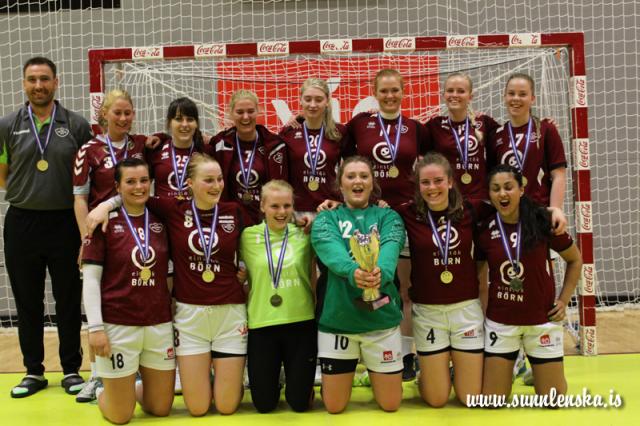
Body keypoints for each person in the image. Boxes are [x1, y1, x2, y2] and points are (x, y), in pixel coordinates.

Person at [88, 153, 248, 416]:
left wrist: (244, 272)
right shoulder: (173, 210)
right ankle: (112, 391)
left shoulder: (234, 212)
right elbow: (134, 196)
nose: (216, 185)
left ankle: (225, 381)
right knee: (197, 408)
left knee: (226, 407)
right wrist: (103, 206)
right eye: (208, 180)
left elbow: (260, 239)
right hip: (189, 315)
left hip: (229, 312)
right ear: (190, 184)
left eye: (219, 179)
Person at [0, 56, 92, 398]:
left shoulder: (77, 125)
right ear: (24, 84)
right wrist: (30, 191)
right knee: (28, 300)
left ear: (56, 82)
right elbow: (2, 175)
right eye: (32, 79)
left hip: (66, 223)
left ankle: (71, 369)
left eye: (44, 79)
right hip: (22, 221)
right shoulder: (7, 125)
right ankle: (33, 371)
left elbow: (89, 175)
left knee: (68, 299)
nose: (38, 85)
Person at [344, 68, 430, 381]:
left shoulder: (416, 128)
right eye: (384, 90)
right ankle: (361, 356)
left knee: (404, 289)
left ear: (403, 92)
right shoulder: (359, 124)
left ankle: (406, 356)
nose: (390, 96)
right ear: (374, 92)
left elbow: (434, 163)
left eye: (395, 90)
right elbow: (338, 156)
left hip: (404, 217)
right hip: (366, 218)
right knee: (364, 284)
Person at [477, 164, 582, 400]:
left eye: (508, 187)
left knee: (553, 399)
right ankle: (516, 366)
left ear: (521, 189)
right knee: (493, 401)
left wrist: (564, 300)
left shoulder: (542, 221)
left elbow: (575, 260)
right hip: (501, 322)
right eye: (495, 189)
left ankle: (536, 366)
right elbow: (478, 277)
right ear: (489, 194)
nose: (502, 194)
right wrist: (481, 314)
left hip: (541, 320)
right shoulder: (484, 229)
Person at [82, 157, 174, 423]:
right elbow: (90, 280)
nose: (138, 187)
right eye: (130, 182)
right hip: (118, 324)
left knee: (160, 408)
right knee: (120, 416)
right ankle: (104, 390)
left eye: (144, 180)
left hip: (158, 323)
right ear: (117, 186)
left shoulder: (161, 219)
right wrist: (95, 329)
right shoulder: (102, 222)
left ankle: (127, 389)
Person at [311, 156, 405, 413]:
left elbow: (391, 247)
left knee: (390, 404)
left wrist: (381, 273)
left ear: (372, 182)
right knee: (334, 407)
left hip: (381, 321)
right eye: (350, 176)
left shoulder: (389, 216)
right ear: (340, 184)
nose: (357, 181)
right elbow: (330, 250)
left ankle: (373, 373)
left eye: (364, 176)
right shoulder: (326, 219)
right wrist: (354, 272)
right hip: (339, 322)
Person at [72, 89, 147, 402]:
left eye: (128, 112)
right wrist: (85, 239)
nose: (123, 118)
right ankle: (95, 374)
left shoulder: (142, 145)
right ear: (104, 114)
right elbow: (80, 199)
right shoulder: (88, 150)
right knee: (96, 301)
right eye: (117, 112)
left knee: (132, 295)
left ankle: (134, 369)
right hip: (102, 236)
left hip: (137, 233)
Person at [395, 152, 485, 407]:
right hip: (428, 313)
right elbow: (369, 212)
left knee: (470, 399)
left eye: (438, 181)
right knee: (436, 399)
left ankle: (454, 369)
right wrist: (332, 205)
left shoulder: (472, 209)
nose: (432, 188)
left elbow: (511, 207)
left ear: (450, 182)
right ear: (418, 185)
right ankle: (428, 372)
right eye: (425, 182)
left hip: (465, 311)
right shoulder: (407, 213)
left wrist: (551, 211)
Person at [240, 180, 316, 413]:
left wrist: (314, 219)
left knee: (299, 404)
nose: (282, 212)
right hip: (262, 323)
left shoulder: (305, 233)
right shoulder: (247, 237)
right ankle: (280, 379)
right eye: (274, 206)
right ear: (262, 206)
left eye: (287, 206)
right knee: (264, 405)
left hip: (300, 321)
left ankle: (297, 384)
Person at [488, 72, 567, 227]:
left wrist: (555, 209)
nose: (516, 98)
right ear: (504, 97)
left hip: (539, 213)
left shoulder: (546, 130)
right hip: (507, 216)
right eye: (511, 93)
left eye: (522, 94)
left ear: (532, 99)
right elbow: (491, 180)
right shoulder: (495, 135)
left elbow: (559, 175)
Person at [210, 89, 287, 225]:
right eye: (240, 112)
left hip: (265, 222)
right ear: (231, 113)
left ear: (258, 111)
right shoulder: (219, 144)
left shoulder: (275, 145)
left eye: (250, 111)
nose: (245, 117)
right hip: (230, 222)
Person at [424, 72, 499, 202]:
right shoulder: (434, 125)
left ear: (470, 96)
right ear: (443, 95)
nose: (454, 95)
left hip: (480, 200)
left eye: (461, 91)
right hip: (447, 199)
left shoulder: (485, 123)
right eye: (450, 91)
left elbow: (508, 138)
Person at [146, 97, 208, 200]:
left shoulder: (205, 151)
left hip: (195, 210)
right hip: (162, 210)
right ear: (169, 123)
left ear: (196, 124)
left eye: (190, 119)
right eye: (178, 119)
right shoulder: (156, 149)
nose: (185, 124)